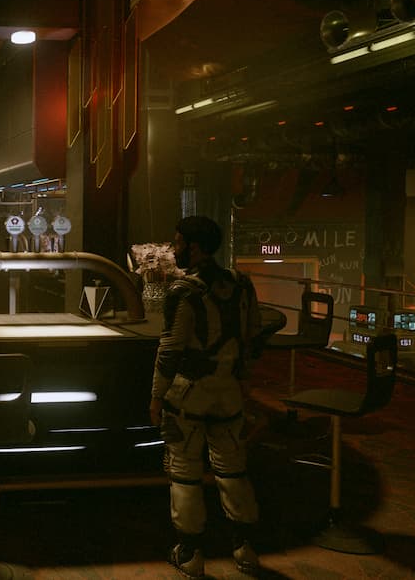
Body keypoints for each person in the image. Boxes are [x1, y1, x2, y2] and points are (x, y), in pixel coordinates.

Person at [149, 216, 261, 578]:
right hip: (228, 391)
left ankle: (190, 552)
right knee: (233, 468)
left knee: (184, 472)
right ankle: (245, 547)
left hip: (189, 392)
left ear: (195, 248)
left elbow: (170, 350)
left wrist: (156, 397)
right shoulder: (241, 283)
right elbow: (253, 337)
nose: (174, 249)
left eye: (179, 243)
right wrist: (243, 380)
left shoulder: (183, 291)